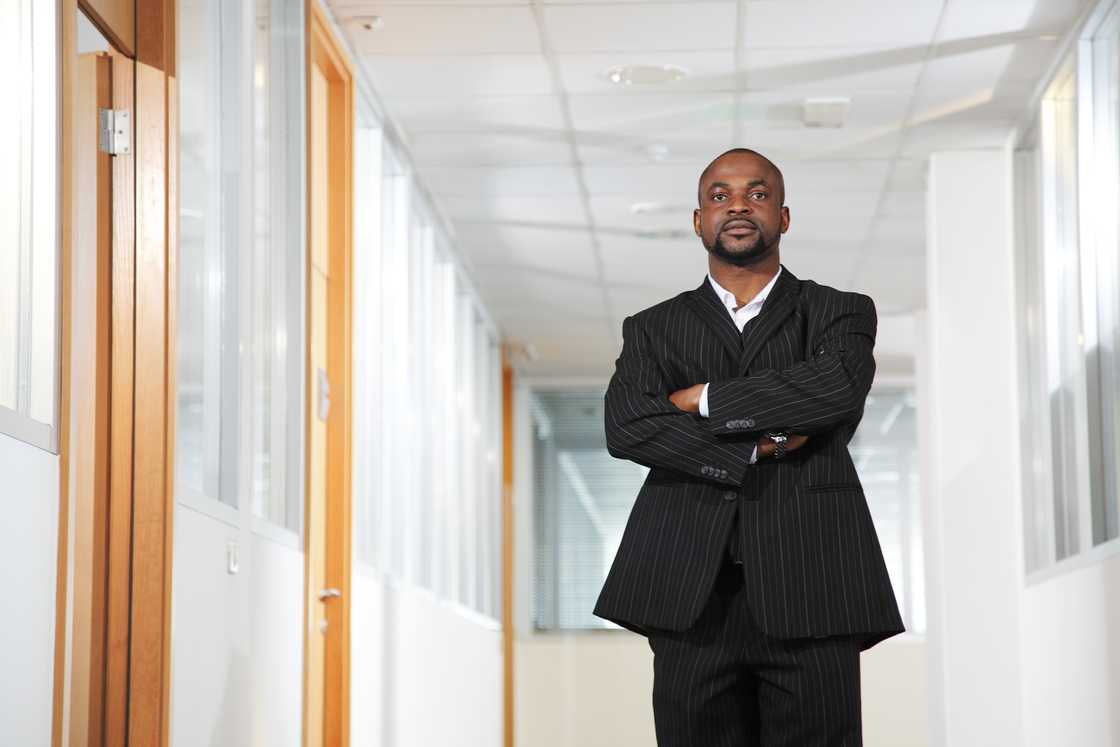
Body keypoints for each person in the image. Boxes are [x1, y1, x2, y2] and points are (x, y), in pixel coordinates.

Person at [594, 148, 905, 746]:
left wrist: (702, 398)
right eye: (720, 196)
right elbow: (628, 425)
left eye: (757, 194)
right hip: (690, 592)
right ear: (698, 220)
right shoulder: (651, 328)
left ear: (783, 217)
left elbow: (833, 389)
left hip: (813, 583)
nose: (737, 205)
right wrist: (752, 450)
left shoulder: (839, 311)